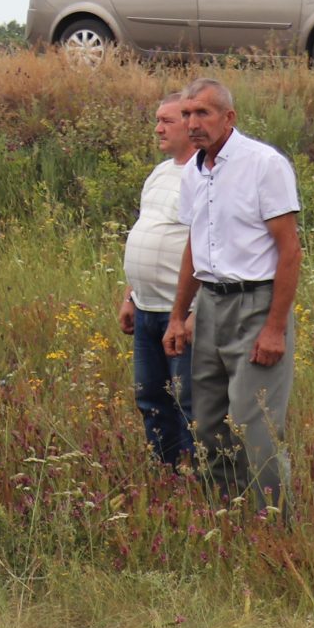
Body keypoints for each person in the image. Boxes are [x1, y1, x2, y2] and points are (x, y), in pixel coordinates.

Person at [163, 78, 301, 509]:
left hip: (256, 303)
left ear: (229, 117)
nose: (192, 122)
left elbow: (290, 250)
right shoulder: (193, 171)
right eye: (186, 114)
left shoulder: (263, 164)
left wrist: (275, 327)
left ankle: (273, 523)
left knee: (253, 421)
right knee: (208, 423)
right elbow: (195, 246)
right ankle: (226, 513)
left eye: (203, 112)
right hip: (211, 304)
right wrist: (177, 315)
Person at [116, 93, 198, 465]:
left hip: (180, 312)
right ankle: (167, 473)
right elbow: (146, 230)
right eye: (157, 119)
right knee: (150, 398)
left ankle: (202, 479)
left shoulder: (204, 174)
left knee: (189, 401)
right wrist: (131, 296)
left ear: (191, 124)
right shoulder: (161, 172)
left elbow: (206, 246)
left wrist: (191, 312)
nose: (158, 128)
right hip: (147, 309)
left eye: (167, 120)